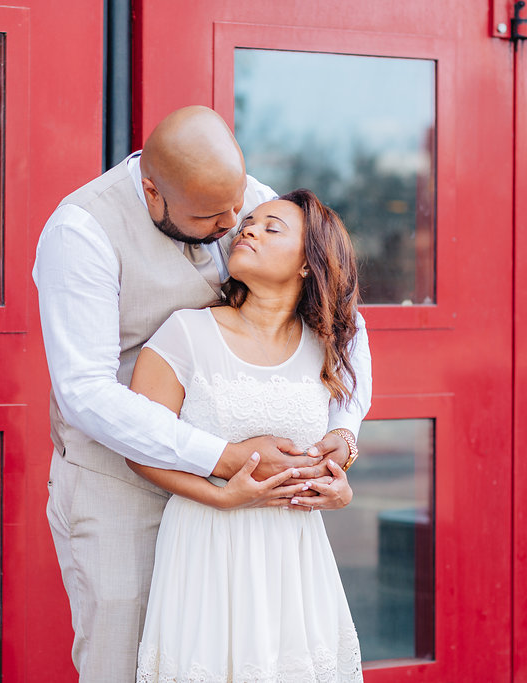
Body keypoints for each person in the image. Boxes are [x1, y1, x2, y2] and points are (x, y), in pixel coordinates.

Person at [33, 106, 372, 681]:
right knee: (127, 659)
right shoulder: (81, 231)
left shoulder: (240, 201)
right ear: (152, 193)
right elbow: (85, 392)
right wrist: (220, 460)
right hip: (119, 479)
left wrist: (342, 437)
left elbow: (343, 321)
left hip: (251, 512)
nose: (232, 226)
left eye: (238, 209)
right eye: (210, 218)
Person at [130, 189, 364, 681]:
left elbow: (337, 439)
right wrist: (219, 499)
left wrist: (340, 481)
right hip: (206, 545)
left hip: (295, 555)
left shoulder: (327, 345)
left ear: (308, 264)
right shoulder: (186, 334)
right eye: (248, 223)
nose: (249, 229)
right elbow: (140, 447)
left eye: (271, 227)